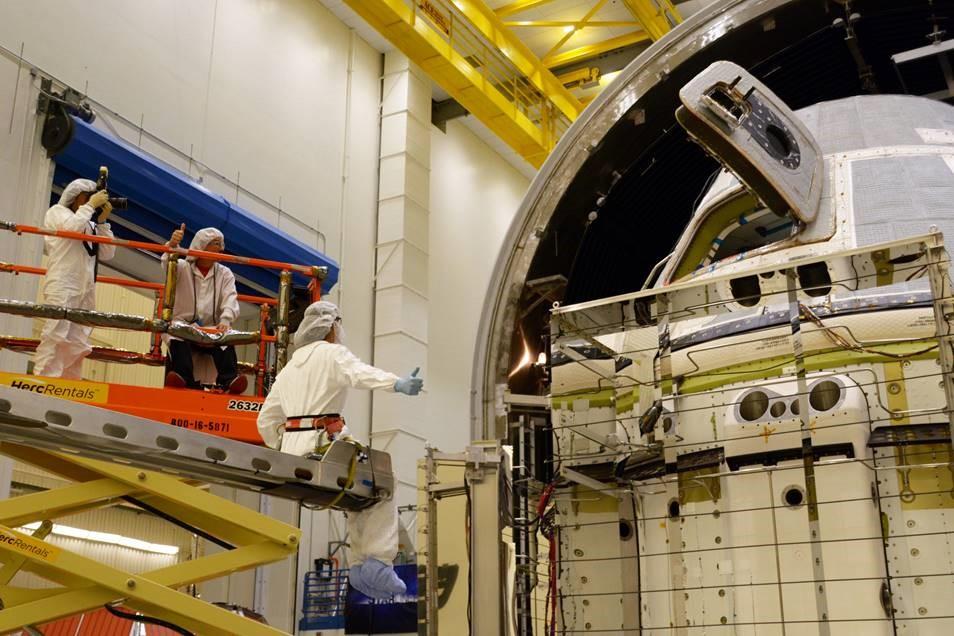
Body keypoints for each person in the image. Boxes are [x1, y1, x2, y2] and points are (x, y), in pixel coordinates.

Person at [256, 300, 423, 600]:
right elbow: (361, 374)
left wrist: (282, 445)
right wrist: (397, 384)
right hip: (325, 448)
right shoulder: (332, 354)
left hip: (292, 455)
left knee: (359, 495)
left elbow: (265, 420)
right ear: (331, 327)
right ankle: (374, 563)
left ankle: (361, 568)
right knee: (382, 482)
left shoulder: (289, 368)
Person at [34, 179, 116, 378]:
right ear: (75, 196)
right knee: (56, 334)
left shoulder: (88, 222)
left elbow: (107, 253)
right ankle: (43, 382)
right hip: (63, 283)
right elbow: (71, 228)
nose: (93, 201)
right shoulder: (57, 212)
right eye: (88, 196)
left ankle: (68, 385)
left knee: (78, 340)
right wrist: (89, 206)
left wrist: (103, 222)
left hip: (84, 287)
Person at [162, 225, 246, 394]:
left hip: (211, 328)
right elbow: (167, 264)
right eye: (215, 243)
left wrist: (225, 320)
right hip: (184, 325)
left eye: (221, 244)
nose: (220, 248)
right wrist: (172, 244)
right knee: (175, 332)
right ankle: (183, 379)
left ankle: (229, 380)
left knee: (226, 337)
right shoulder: (182, 267)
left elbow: (230, 298)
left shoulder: (225, 273)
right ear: (202, 245)